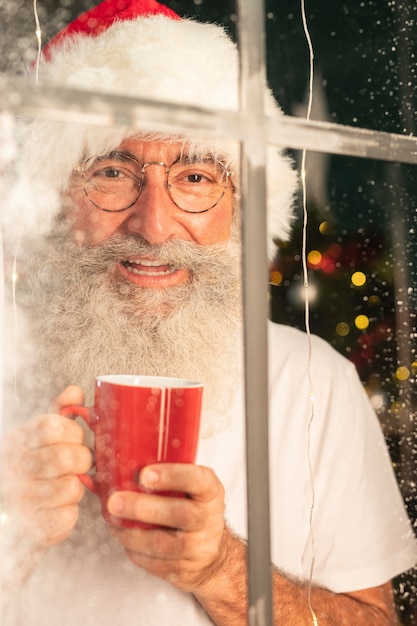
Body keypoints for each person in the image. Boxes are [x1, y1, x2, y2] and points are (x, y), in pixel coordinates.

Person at [1, 1, 416, 624]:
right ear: (55, 198)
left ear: (240, 208)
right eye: (112, 172)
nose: (155, 226)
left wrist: (222, 570)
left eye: (195, 177)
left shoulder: (310, 379)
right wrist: (11, 532)